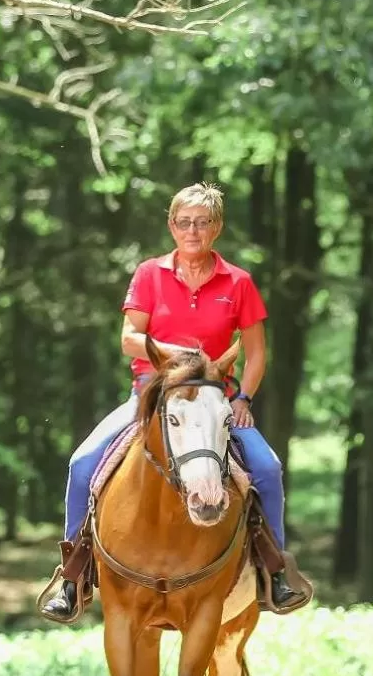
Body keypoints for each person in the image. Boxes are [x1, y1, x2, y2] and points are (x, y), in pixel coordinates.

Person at [40, 182, 300, 621]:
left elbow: (256, 353)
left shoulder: (239, 282)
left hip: (217, 404)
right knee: (83, 462)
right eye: (184, 222)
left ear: (216, 228)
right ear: (171, 226)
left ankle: (273, 571)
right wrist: (179, 356)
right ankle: (73, 575)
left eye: (202, 223)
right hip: (153, 395)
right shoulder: (149, 274)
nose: (192, 231)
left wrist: (246, 399)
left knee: (268, 468)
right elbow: (129, 339)